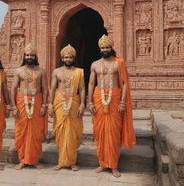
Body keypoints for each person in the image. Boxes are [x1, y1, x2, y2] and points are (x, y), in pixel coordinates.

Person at [87, 34, 136, 177]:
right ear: (99, 49)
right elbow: (91, 83)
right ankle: (102, 163)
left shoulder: (118, 63)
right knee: (100, 132)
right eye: (103, 47)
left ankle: (113, 165)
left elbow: (125, 82)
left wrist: (122, 102)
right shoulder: (95, 64)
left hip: (114, 98)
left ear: (111, 48)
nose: (105, 49)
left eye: (107, 47)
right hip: (98, 98)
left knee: (114, 133)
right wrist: (89, 102)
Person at [11, 43, 48, 170]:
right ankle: (22, 159)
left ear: (35, 56)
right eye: (27, 55)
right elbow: (14, 88)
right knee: (21, 131)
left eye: (32, 55)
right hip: (22, 101)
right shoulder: (19, 71)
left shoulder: (41, 71)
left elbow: (45, 89)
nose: (29, 57)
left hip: (37, 101)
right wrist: (14, 107)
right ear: (24, 56)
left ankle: (34, 160)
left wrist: (44, 105)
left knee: (36, 132)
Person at [48, 44, 85, 171]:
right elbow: (52, 88)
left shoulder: (79, 72)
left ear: (73, 58)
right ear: (62, 58)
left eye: (70, 57)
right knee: (60, 132)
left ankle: (72, 162)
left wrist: (82, 104)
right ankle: (61, 161)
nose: (68, 59)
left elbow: (82, 89)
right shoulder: (56, 72)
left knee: (73, 133)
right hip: (59, 102)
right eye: (66, 57)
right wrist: (50, 104)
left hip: (74, 101)